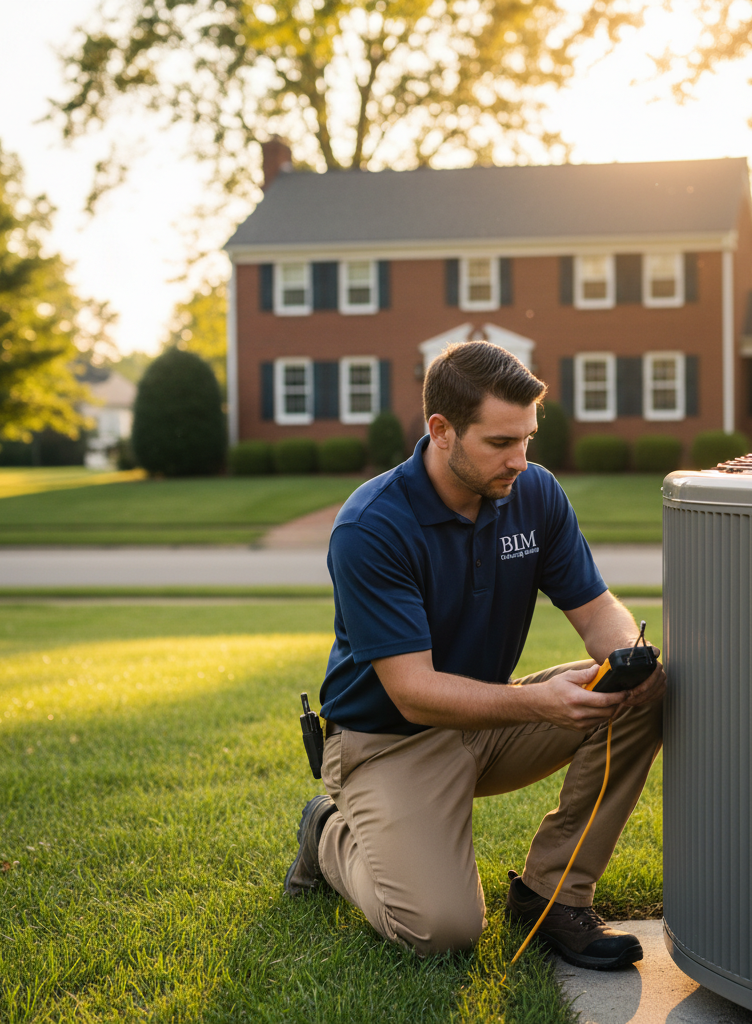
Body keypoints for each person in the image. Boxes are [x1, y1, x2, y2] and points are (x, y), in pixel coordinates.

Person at [285, 340, 665, 969]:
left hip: (490, 722)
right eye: (499, 443)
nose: (520, 460)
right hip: (390, 741)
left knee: (644, 690)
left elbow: (597, 610)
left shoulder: (534, 493)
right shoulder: (372, 526)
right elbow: (411, 690)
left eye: (527, 440)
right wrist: (537, 702)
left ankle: (553, 895)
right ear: (441, 430)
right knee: (443, 931)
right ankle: (326, 831)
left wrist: (628, 654)